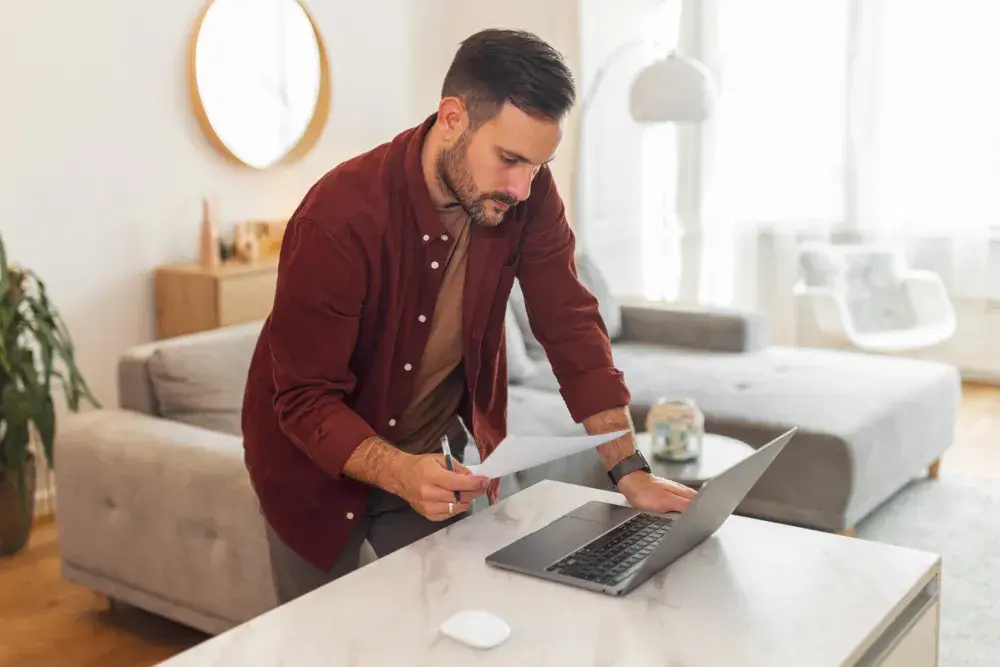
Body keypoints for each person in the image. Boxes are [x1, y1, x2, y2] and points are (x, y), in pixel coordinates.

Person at [240, 28, 696, 604]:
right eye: (509, 159)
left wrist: (628, 469)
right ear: (452, 117)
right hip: (309, 466)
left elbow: (570, 323)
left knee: (450, 625)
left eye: (537, 165)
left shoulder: (527, 194)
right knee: (323, 640)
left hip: (427, 458)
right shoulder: (338, 217)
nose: (522, 187)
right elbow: (304, 399)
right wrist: (398, 471)